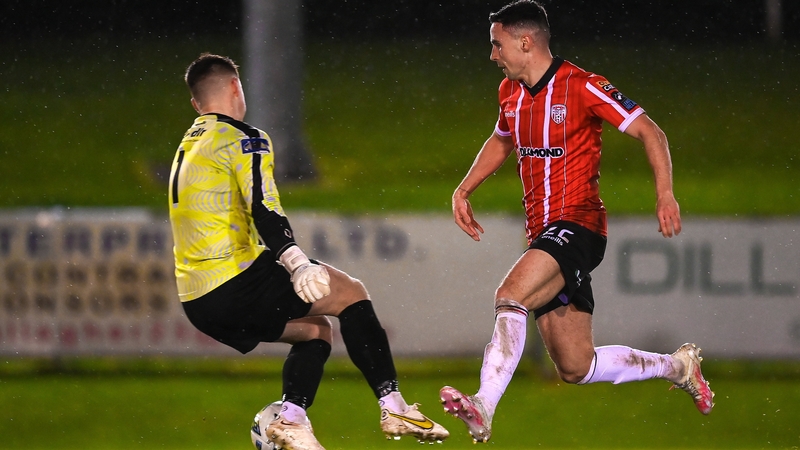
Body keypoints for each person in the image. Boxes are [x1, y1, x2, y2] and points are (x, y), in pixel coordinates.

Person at [438, 1, 714, 443]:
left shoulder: (583, 85)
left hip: (579, 225)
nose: (492, 55)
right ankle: (679, 366)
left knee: (510, 295)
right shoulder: (510, 93)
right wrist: (464, 188)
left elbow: (651, 132)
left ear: (525, 42)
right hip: (543, 235)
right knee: (575, 366)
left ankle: (484, 405)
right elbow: (501, 139)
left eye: (497, 44)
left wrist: (664, 194)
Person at [168, 53, 449, 450]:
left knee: (316, 329)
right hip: (233, 277)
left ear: (196, 104)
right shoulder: (244, 137)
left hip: (197, 300)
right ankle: (394, 406)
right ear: (236, 87)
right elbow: (263, 206)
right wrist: (296, 262)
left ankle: (291, 418)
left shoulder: (189, 143)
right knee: (351, 293)